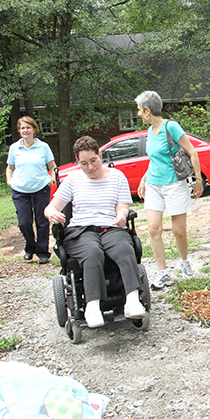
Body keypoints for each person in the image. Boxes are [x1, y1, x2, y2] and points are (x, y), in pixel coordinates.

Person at [45, 136, 147, 328]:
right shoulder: (72, 180)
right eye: (84, 163)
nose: (90, 167)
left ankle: (132, 300)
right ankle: (92, 307)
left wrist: (122, 215)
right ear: (77, 162)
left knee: (124, 249)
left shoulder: (117, 177)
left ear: (100, 155)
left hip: (111, 227)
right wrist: (51, 214)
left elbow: (123, 206)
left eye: (93, 161)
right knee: (92, 253)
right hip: (81, 231)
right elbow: (51, 207)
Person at [134, 90, 203, 289]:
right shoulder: (149, 132)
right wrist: (144, 178)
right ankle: (163, 273)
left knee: (178, 230)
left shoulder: (171, 127)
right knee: (153, 229)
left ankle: (184, 262)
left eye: (139, 110)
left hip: (174, 184)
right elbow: (155, 160)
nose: (138, 114)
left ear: (148, 111)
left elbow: (192, 152)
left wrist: (198, 180)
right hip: (154, 185)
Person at [6, 116, 57, 264]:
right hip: (20, 191)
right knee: (24, 222)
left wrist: (51, 179)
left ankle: (42, 252)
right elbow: (10, 167)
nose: (25, 130)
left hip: (41, 189)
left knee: (42, 221)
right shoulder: (14, 148)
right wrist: (9, 181)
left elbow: (52, 166)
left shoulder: (43, 147)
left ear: (34, 129)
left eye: (28, 127)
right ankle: (30, 248)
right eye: (22, 128)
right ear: (19, 131)